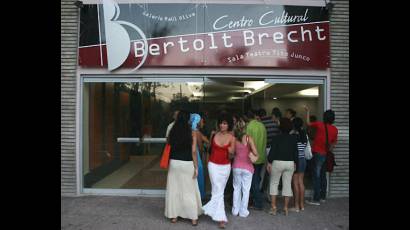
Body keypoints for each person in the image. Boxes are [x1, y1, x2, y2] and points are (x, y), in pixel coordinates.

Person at [165, 110, 202, 226]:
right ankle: (193, 218)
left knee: (174, 190)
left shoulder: (172, 131)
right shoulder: (192, 132)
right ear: (188, 120)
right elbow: (194, 151)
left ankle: (174, 216)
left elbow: (168, 144)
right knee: (189, 190)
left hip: (174, 163)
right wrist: (196, 167)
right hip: (187, 163)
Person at [202, 112, 236, 229]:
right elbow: (209, 151)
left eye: (225, 123)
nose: (222, 125)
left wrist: (231, 152)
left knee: (219, 190)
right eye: (221, 123)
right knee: (218, 189)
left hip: (225, 166)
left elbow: (232, 156)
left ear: (229, 125)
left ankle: (209, 209)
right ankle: (221, 219)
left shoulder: (232, 138)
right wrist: (207, 164)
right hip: (213, 165)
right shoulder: (214, 135)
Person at [304, 107, 338, 205]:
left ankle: (316, 199)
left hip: (318, 153)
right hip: (326, 154)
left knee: (316, 176)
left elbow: (308, 123)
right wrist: (328, 149)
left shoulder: (320, 125)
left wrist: (308, 112)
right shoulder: (335, 129)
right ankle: (323, 196)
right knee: (323, 176)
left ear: (324, 117)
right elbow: (333, 143)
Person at [266, 118, 298, 216]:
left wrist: (269, 162)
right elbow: (295, 153)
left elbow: (272, 152)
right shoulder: (294, 138)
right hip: (290, 163)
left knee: (274, 184)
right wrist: (295, 163)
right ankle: (285, 208)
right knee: (287, 184)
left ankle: (273, 207)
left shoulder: (276, 138)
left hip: (277, 163)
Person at [231, 123, 259, 217]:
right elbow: (255, 152)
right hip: (247, 167)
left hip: (236, 166)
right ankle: (243, 212)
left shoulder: (234, 139)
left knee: (236, 188)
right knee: (246, 190)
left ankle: (235, 210)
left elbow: (231, 153)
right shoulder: (248, 138)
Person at [246, 109, 267, 211]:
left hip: (252, 158)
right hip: (261, 156)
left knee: (253, 181)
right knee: (257, 179)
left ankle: (258, 203)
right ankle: (256, 200)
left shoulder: (249, 127)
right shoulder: (262, 125)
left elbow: (247, 144)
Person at [289, 117, 308, 212]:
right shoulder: (304, 134)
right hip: (303, 159)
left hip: (296, 160)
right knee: (301, 182)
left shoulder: (293, 135)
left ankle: (296, 206)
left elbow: (291, 148)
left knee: (295, 183)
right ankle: (302, 205)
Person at [191, 113, 206, 201]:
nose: (202, 122)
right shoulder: (197, 132)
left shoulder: (188, 131)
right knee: (199, 177)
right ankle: (200, 197)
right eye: (201, 121)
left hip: (189, 158)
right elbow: (200, 146)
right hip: (196, 157)